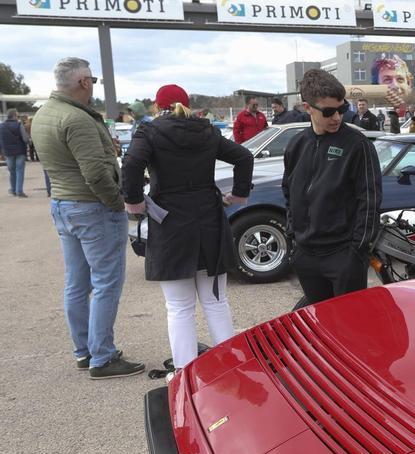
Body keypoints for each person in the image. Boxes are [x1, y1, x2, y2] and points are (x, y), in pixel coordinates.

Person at [120, 84, 253, 378]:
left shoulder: (150, 132)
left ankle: (184, 373)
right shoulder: (207, 131)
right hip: (209, 221)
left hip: (170, 225)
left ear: (158, 106)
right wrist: (239, 195)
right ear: (186, 104)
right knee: (216, 301)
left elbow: (130, 165)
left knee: (179, 308)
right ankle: (231, 368)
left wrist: (134, 203)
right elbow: (244, 157)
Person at [32, 57, 143, 379]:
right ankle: (103, 357)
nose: (93, 86)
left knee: (76, 283)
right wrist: (115, 203)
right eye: (92, 80)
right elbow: (95, 173)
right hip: (92, 208)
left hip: (64, 204)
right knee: (106, 284)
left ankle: (85, 350)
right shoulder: (76, 119)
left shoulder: (45, 114)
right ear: (83, 82)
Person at [281, 69, 383, 305]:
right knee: (319, 325)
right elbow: (289, 191)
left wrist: (357, 251)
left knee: (350, 329)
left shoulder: (358, 145)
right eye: (328, 112)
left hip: (343, 256)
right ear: (308, 108)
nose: (337, 117)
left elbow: (370, 200)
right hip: (306, 255)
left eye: (342, 108)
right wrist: (293, 235)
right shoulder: (296, 146)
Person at [1, 109, 30, 197]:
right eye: (17, 116)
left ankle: (13, 190)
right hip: (20, 151)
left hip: (8, 152)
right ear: (14, 116)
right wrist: (28, 141)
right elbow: (25, 139)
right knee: (19, 170)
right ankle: (19, 192)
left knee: (12, 171)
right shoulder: (19, 125)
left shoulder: (1, 126)